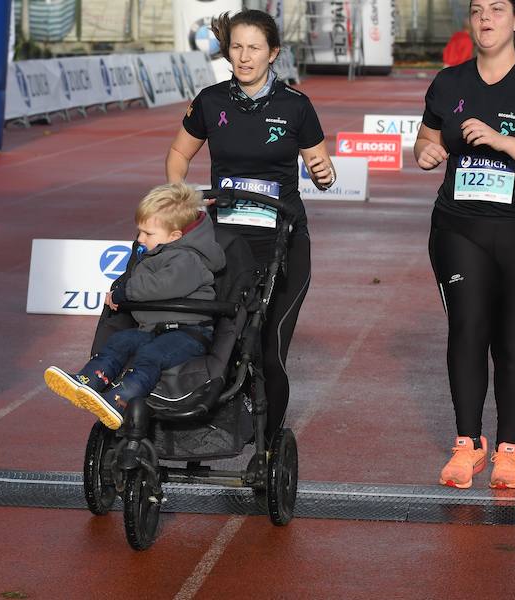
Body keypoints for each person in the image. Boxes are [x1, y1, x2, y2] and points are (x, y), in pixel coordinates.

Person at [413, 0, 515, 489]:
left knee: (513, 344)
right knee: (466, 330)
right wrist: (426, 150)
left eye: (498, 9)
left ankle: (509, 448)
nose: (486, 18)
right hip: (460, 227)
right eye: (478, 9)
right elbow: (427, 138)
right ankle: (468, 444)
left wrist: (502, 141)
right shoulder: (448, 83)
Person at [164, 9, 334, 442]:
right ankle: (210, 423)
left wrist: (323, 173)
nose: (243, 57)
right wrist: (176, 197)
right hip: (225, 244)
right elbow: (179, 155)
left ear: (272, 53)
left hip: (283, 241)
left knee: (268, 351)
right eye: (236, 47)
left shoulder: (296, 106)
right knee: (220, 341)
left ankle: (268, 447)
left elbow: (321, 166)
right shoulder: (210, 100)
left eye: (254, 48)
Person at [43, 183, 226, 430]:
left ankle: (121, 400)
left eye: (147, 234)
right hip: (154, 329)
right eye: (140, 231)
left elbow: (163, 285)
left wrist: (126, 291)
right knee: (122, 341)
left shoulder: (188, 259)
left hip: (187, 333)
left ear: (175, 236)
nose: (140, 239)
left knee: (151, 355)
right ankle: (88, 381)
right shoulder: (159, 252)